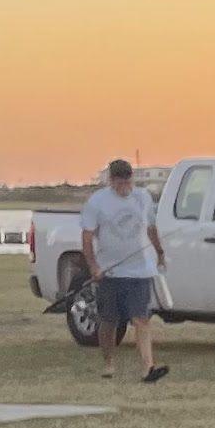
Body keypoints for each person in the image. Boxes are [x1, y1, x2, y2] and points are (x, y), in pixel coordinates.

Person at [79, 156, 168, 385]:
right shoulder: (97, 202)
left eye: (128, 182)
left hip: (140, 270)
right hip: (110, 272)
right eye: (119, 183)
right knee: (109, 321)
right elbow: (87, 238)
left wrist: (159, 252)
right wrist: (94, 267)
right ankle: (108, 361)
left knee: (141, 319)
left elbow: (150, 227)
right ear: (111, 181)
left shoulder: (142, 197)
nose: (125, 188)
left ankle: (148, 367)